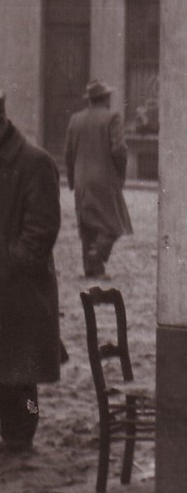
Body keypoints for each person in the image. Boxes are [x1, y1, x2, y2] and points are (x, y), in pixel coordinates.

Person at [0, 88, 62, 453]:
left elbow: (41, 233)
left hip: (20, 294)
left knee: (20, 380)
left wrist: (7, 265)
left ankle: (21, 439)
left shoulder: (35, 162)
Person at [65, 80, 132, 278]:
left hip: (81, 180)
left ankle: (92, 270)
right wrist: (120, 174)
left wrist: (72, 179)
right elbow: (119, 149)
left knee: (87, 225)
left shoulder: (75, 119)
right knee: (114, 223)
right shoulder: (112, 117)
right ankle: (98, 254)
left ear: (90, 99)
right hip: (105, 179)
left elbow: (68, 152)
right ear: (105, 98)